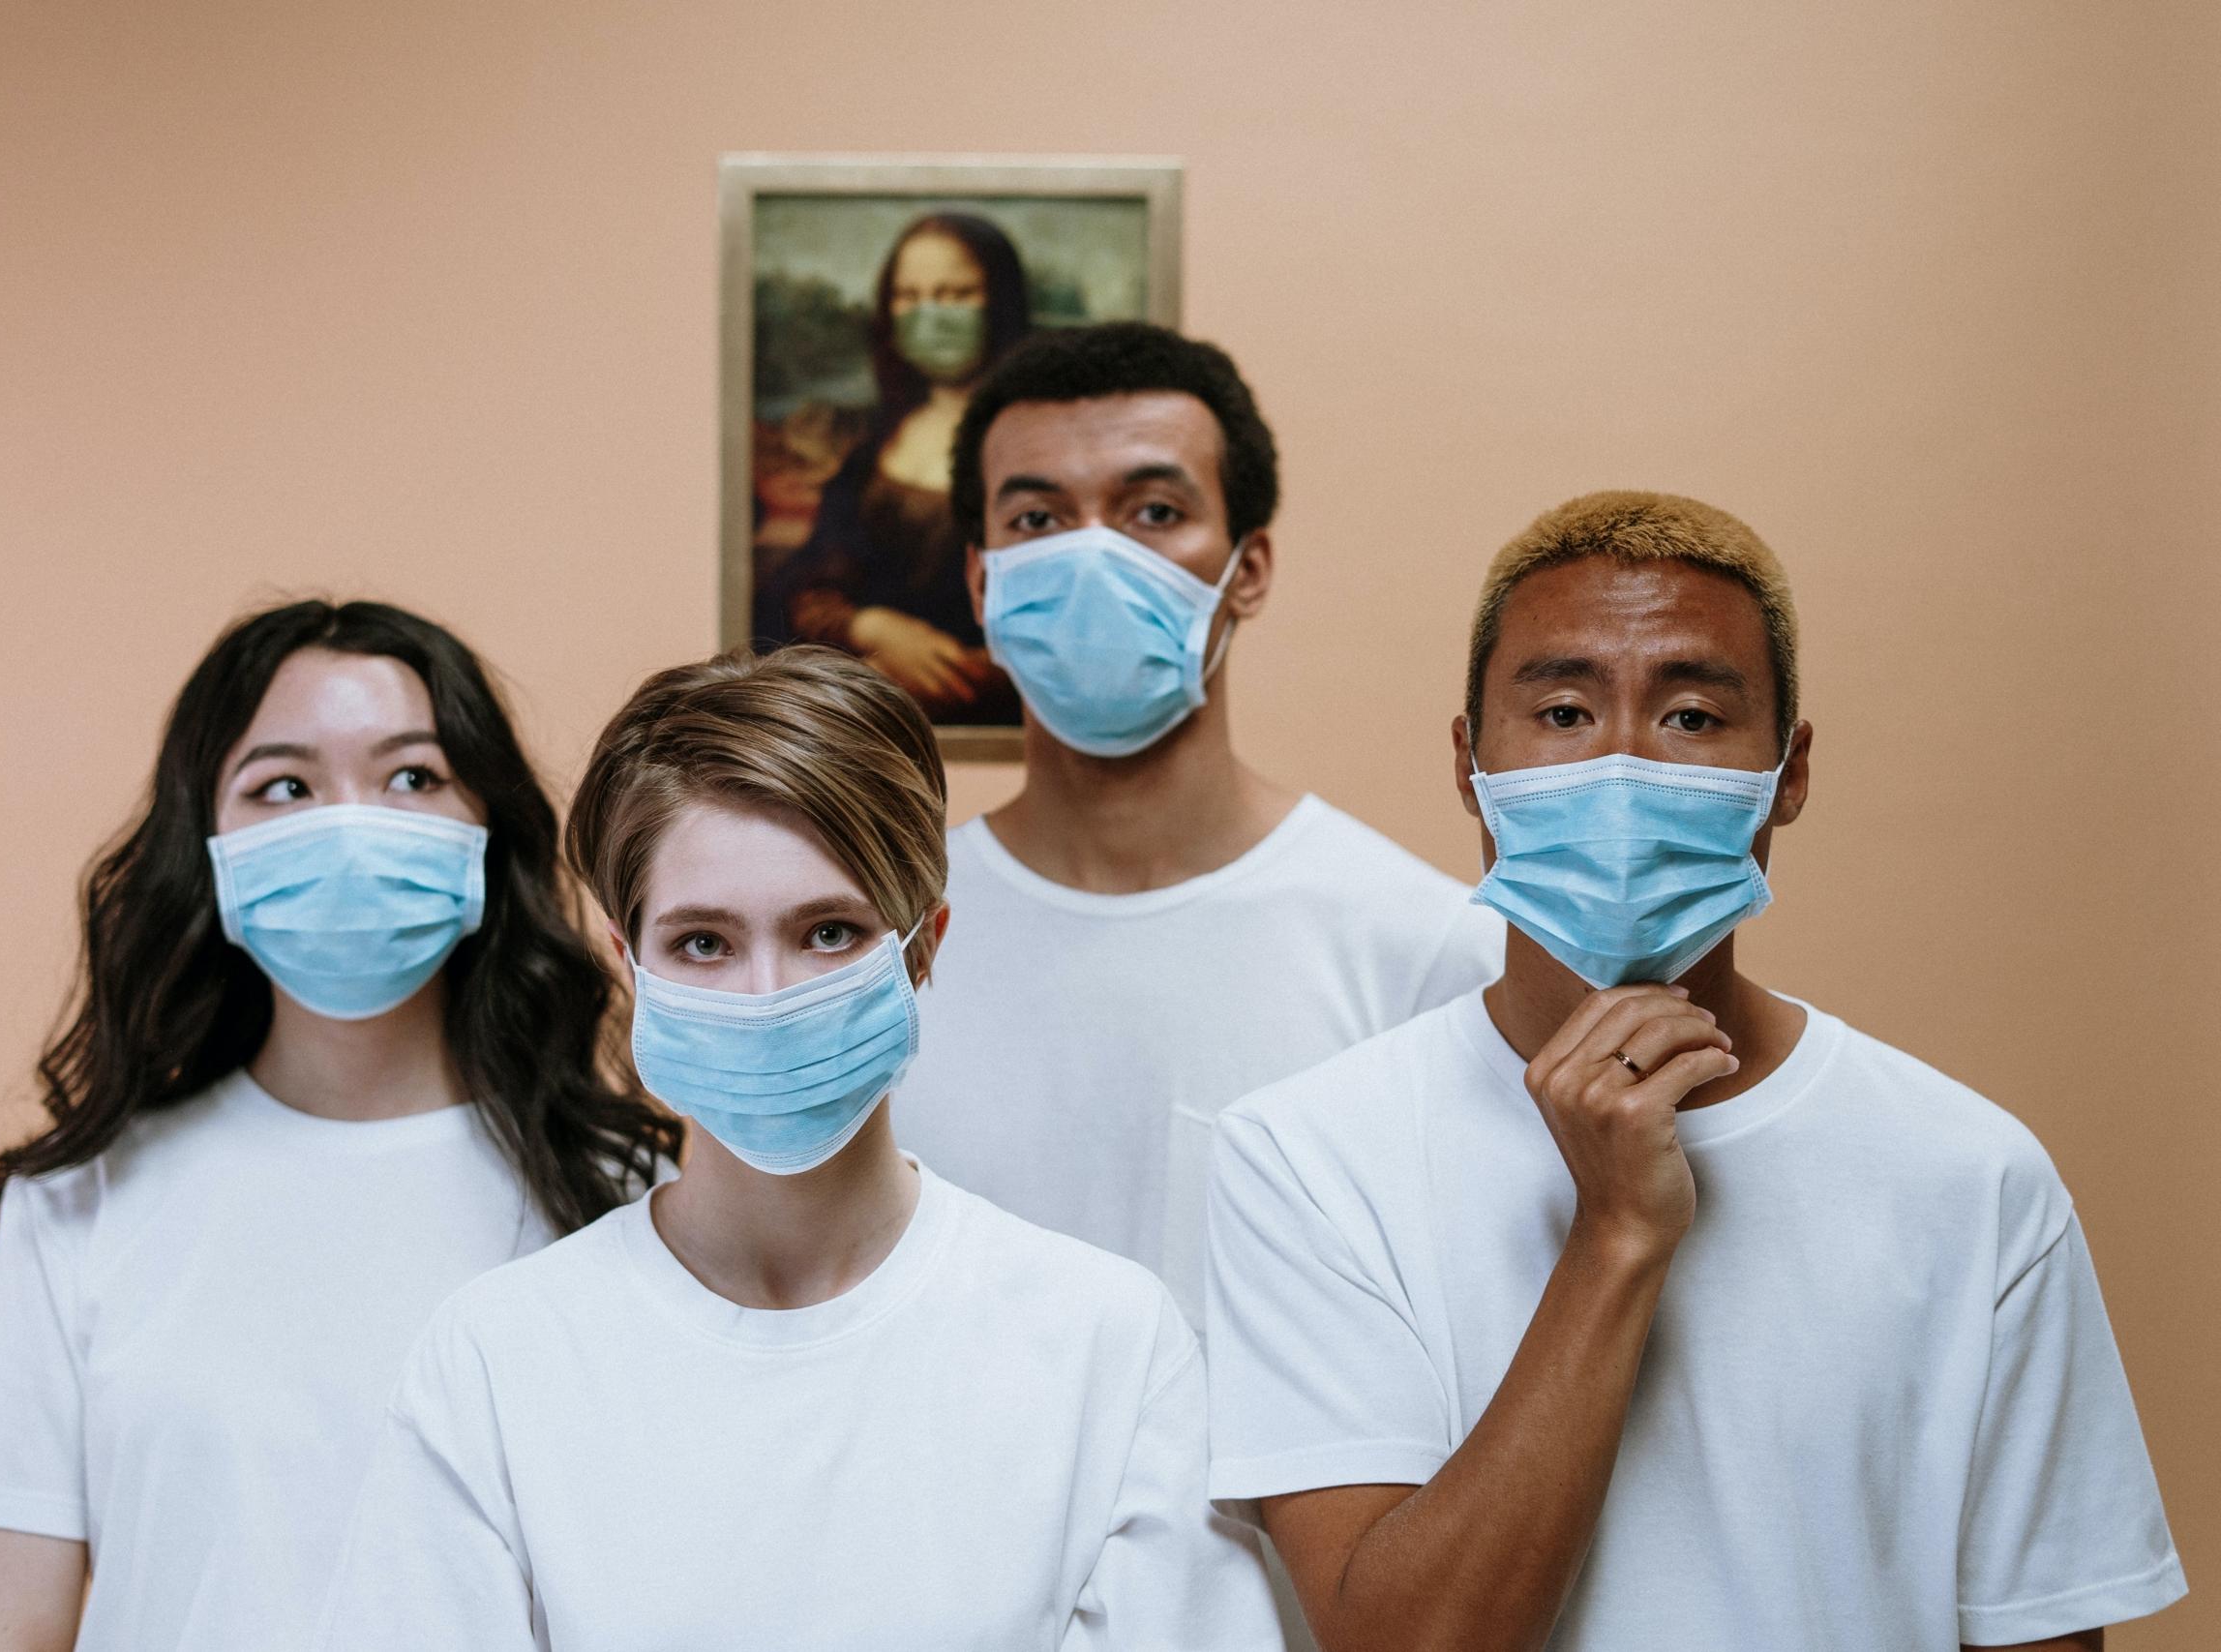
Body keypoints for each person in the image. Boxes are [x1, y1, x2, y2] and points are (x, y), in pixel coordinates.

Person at [1203, 492, 2186, 1652]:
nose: (1621, 768)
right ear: (1470, 765)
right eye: (1563, 711)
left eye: (1689, 717)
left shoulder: (1973, 1178)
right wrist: (1616, 1233)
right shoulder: (1307, 1159)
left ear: (1789, 771)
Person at [314, 646, 1283, 1651]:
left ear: (925, 946)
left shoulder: (1106, 1349)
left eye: (828, 933)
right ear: (626, 959)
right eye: (703, 943)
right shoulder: (497, 1361)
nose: (767, 995)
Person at [0, 601, 677, 1652]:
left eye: (412, 777)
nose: (350, 825)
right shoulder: (81, 1204)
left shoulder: (626, 1196)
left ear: (489, 833)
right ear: (208, 846)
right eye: (284, 786)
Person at [887, 321, 1503, 1324]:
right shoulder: (878, 947)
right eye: (1038, 518)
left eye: (1153, 510)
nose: (1093, 556)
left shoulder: (1425, 950)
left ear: (1247, 569)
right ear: (980, 580)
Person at [762, 212, 1031, 722]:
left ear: (1000, 302)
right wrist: (871, 628)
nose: (931, 313)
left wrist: (941, 673)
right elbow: (810, 585)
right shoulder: (873, 445)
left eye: (956, 294)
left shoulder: (1045, 446)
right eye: (911, 296)